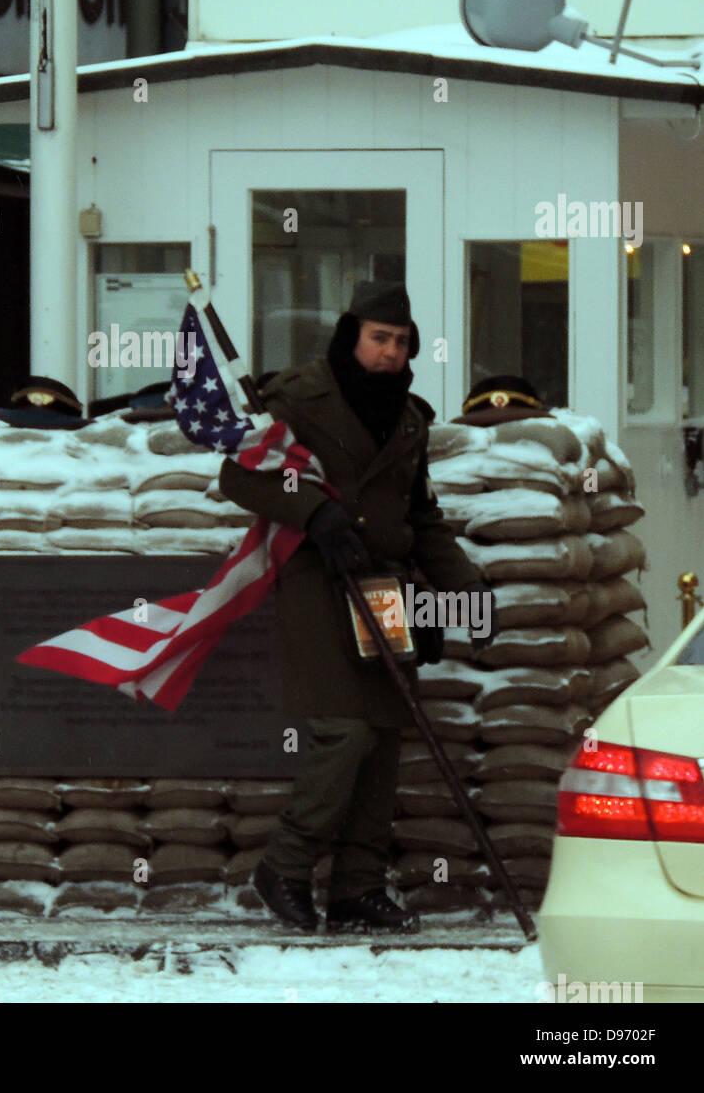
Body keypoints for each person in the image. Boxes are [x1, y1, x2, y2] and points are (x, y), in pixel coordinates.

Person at [219, 280, 497, 932]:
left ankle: (357, 889)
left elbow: (421, 515)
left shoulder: (409, 419)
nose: (389, 353)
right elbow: (242, 475)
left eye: (401, 343)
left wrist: (464, 590)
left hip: (385, 585)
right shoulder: (299, 398)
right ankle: (284, 866)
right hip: (319, 580)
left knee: (384, 739)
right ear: (351, 337)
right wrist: (315, 514)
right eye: (379, 339)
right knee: (344, 732)